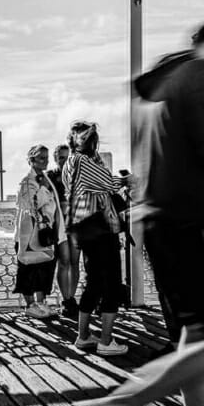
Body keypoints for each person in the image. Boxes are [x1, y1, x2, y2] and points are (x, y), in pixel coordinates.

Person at [81, 19, 204, 406]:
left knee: (191, 335)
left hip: (156, 222)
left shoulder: (161, 84)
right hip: (192, 223)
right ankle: (121, 403)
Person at [62, 122, 127, 355]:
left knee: (94, 281)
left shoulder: (70, 162)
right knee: (111, 283)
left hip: (84, 227)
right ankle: (106, 341)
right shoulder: (84, 161)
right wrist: (129, 180)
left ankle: (83, 336)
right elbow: (109, 183)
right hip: (99, 226)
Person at [14, 144, 65, 319]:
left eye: (46, 158)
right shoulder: (27, 182)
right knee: (28, 268)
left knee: (44, 267)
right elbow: (31, 205)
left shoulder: (44, 179)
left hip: (45, 231)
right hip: (29, 234)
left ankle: (41, 303)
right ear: (32, 160)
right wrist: (43, 188)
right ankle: (30, 305)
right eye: (41, 158)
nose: (45, 161)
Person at [48, 143, 80, 318]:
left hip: (75, 223)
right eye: (61, 157)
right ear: (55, 158)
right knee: (64, 261)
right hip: (59, 224)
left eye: (67, 158)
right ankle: (66, 299)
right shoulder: (50, 177)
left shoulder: (76, 176)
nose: (64, 161)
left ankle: (71, 298)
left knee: (75, 262)